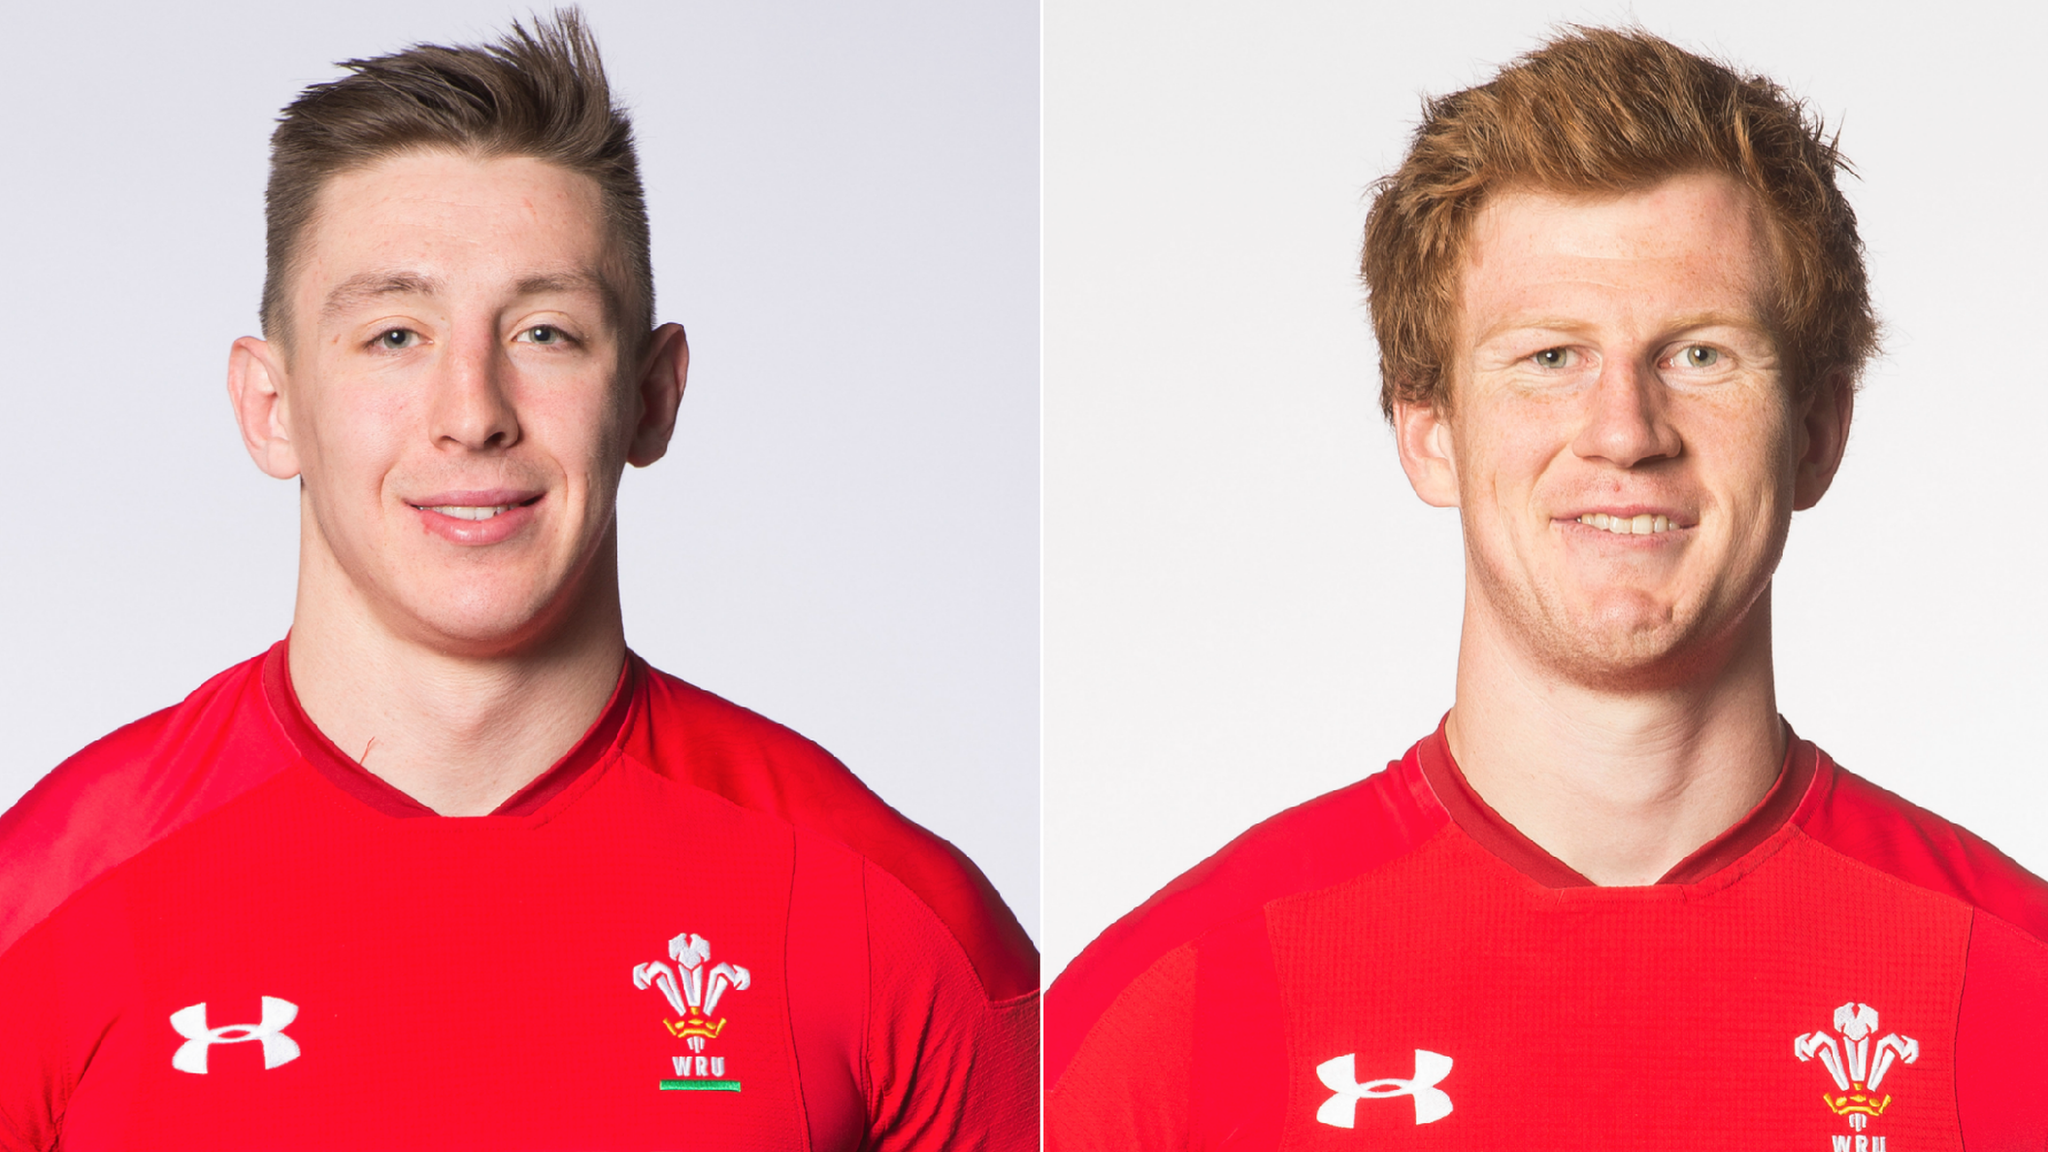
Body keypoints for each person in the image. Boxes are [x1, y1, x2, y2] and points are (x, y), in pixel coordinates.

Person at [0, 13, 1036, 1150]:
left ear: (651, 394)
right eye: (394, 336)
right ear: (272, 404)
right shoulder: (43, 908)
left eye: (545, 332)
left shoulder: (898, 921)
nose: (472, 414)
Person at [1047, 27, 2047, 1148]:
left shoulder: (2013, 985)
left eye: (1699, 354)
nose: (1623, 432)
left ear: (1816, 432)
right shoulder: (1180, 1006)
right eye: (1547, 357)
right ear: (1424, 433)